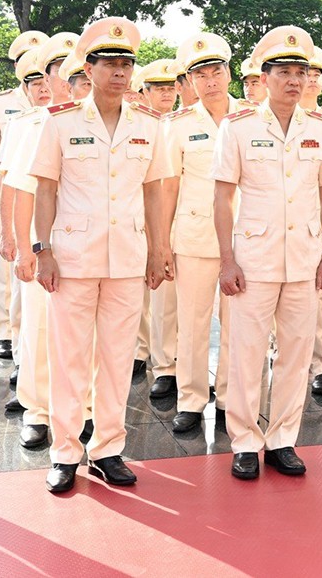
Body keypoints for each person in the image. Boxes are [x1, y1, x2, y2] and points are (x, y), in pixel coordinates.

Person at [30, 18, 173, 494]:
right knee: (69, 357)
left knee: (117, 358)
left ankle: (108, 448)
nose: (119, 71)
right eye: (109, 63)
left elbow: (155, 193)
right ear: (88, 69)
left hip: (128, 258)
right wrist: (42, 249)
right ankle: (66, 451)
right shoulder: (62, 121)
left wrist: (159, 249)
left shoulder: (149, 126)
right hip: (72, 256)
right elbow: (45, 190)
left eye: (126, 63)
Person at [212, 26, 322, 480]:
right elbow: (223, 196)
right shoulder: (240, 127)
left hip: (305, 258)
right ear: (264, 78)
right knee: (246, 354)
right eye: (283, 72)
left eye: (300, 73)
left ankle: (284, 439)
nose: (293, 81)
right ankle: (245, 441)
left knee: (296, 353)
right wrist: (227, 260)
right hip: (255, 258)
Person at [157, 33, 243, 434]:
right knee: (192, 323)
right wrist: (162, 243)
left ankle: (229, 400)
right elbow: (168, 188)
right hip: (192, 236)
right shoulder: (177, 126)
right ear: (190, 81)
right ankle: (191, 399)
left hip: (245, 239)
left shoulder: (250, 118)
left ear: (229, 73)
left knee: (238, 323)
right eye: (201, 74)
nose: (210, 80)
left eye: (216, 71)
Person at [0, 39, 61, 448]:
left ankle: (85, 410)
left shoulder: (109, 122)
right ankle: (37, 411)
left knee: (87, 336)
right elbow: (11, 184)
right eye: (57, 71)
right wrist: (14, 239)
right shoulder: (27, 125)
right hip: (41, 242)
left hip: (90, 243)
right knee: (37, 328)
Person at [0, 30, 50, 361]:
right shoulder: (0, 104)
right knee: (6, 276)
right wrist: (0, 219)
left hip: (46, 209)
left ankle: (27, 346)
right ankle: (4, 332)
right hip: (11, 198)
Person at [136, 58, 182, 400]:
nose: (166, 94)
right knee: (149, 295)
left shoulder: (182, 122)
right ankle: (150, 356)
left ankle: (176, 361)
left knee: (173, 299)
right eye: (159, 89)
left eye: (171, 88)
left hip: (185, 219)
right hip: (142, 217)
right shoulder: (141, 123)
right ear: (144, 92)